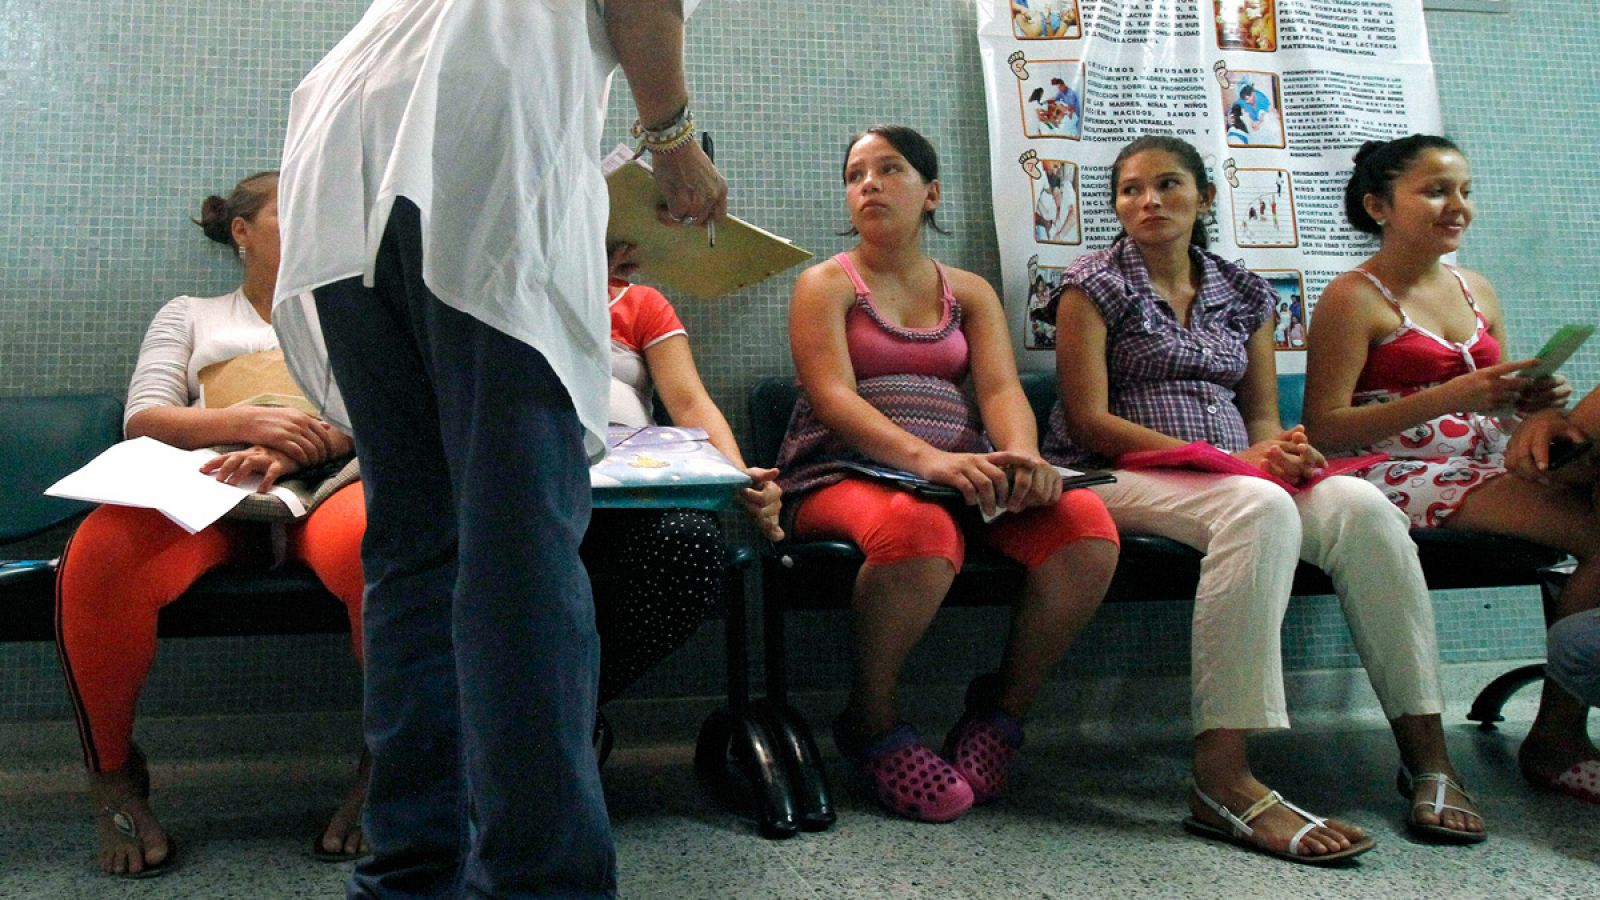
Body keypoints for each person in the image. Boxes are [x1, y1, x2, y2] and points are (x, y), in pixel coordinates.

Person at [271, 1, 727, 895]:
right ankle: (539, 883)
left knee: (417, 550)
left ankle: (412, 869)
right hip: (471, 122)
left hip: (339, 157)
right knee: (516, 553)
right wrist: (675, 146)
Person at [1045, 134, 1485, 863]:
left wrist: (1278, 450)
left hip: (1236, 472)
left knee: (1364, 508)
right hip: (1116, 471)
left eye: (1168, 185)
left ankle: (1429, 756)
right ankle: (1222, 779)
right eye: (1130, 189)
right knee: (1260, 507)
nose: (1148, 201)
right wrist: (1236, 464)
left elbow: (1259, 415)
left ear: (1204, 198)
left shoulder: (1242, 289)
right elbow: (1091, 420)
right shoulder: (1093, 284)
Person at [777, 125, 1119, 824]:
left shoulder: (968, 291)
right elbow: (833, 399)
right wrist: (931, 462)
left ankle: (1000, 716)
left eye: (889, 169)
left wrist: (1022, 457)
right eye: (856, 174)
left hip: (959, 474)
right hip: (838, 474)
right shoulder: (824, 284)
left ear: (931, 193)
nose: (868, 183)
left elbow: (999, 391)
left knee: (1086, 529)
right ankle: (871, 723)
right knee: (918, 532)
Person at [54, 172, 369, 877]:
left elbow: (385, 409)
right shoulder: (192, 313)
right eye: (296, 212)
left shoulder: (355, 308)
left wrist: (311, 440)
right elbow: (146, 416)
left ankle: (395, 763)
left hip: (327, 482)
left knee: (386, 546)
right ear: (242, 231)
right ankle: (111, 770)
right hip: (215, 486)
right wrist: (241, 424)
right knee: (102, 551)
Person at [1302, 134, 1600, 805]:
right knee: (1595, 534)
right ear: (1379, 205)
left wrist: (1535, 403)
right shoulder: (1352, 297)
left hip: (1484, 450)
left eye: (1464, 190)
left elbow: (1501, 406)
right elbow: (1324, 427)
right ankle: (1557, 740)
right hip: (1394, 467)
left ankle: (1563, 725)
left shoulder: (1478, 289)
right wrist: (1459, 396)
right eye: (1435, 191)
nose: (1457, 205)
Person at [587, 245, 782, 724]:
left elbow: (690, 403)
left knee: (690, 542)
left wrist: (738, 476)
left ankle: (565, 712)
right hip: (534, 489)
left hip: (632, 493)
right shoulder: (512, 289)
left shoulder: (640, 303)